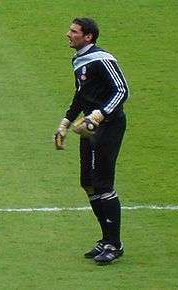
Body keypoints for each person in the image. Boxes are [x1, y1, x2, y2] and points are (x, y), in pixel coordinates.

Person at [54, 17, 129, 265]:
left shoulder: (102, 59)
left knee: (103, 182)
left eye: (74, 31)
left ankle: (114, 244)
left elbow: (121, 90)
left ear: (88, 37)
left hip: (107, 126)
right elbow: (81, 95)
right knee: (88, 182)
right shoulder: (79, 60)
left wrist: (98, 114)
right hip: (88, 127)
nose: (68, 34)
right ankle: (105, 239)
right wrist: (65, 123)